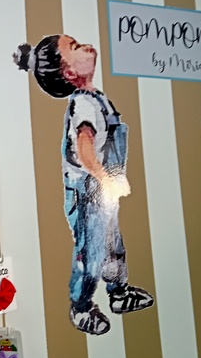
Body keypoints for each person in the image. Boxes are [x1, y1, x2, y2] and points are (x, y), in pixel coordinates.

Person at [14, 34, 154, 335]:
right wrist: (105, 178)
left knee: (112, 243)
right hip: (88, 190)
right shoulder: (83, 105)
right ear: (69, 73)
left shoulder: (96, 98)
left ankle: (118, 292)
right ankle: (81, 307)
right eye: (75, 47)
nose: (86, 46)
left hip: (103, 188)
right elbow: (84, 150)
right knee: (91, 251)